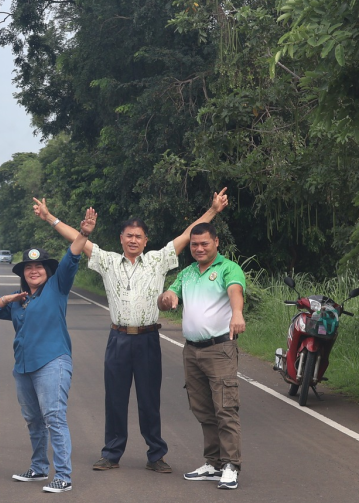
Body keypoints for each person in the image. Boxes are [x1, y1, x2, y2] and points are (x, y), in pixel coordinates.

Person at [34, 190, 229, 474]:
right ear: (121, 239)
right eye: (129, 236)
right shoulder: (108, 261)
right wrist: (49, 217)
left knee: (150, 400)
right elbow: (78, 239)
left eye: (138, 236)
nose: (133, 240)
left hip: (148, 338)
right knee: (115, 399)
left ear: (146, 240)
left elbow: (187, 235)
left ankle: (156, 455)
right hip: (119, 339)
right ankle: (111, 453)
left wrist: (212, 211)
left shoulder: (158, 260)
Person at [0, 209, 96, 493]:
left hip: (52, 362)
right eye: (28, 268)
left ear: (48, 271)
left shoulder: (57, 287)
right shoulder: (19, 301)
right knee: (33, 420)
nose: (34, 271)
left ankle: (64, 476)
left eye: (39, 267)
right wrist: (6, 298)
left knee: (53, 418)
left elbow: (72, 256)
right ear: (23, 273)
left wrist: (84, 234)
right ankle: (38, 468)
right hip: (23, 367)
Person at [158, 223, 247, 489]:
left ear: (216, 242)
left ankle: (230, 465)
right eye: (194, 244)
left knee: (225, 408)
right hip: (192, 350)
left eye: (204, 243)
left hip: (219, 349)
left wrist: (237, 313)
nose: (199, 248)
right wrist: (167, 297)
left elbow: (235, 291)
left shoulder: (228, 268)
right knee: (203, 409)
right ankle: (213, 463)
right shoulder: (187, 273)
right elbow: (169, 295)